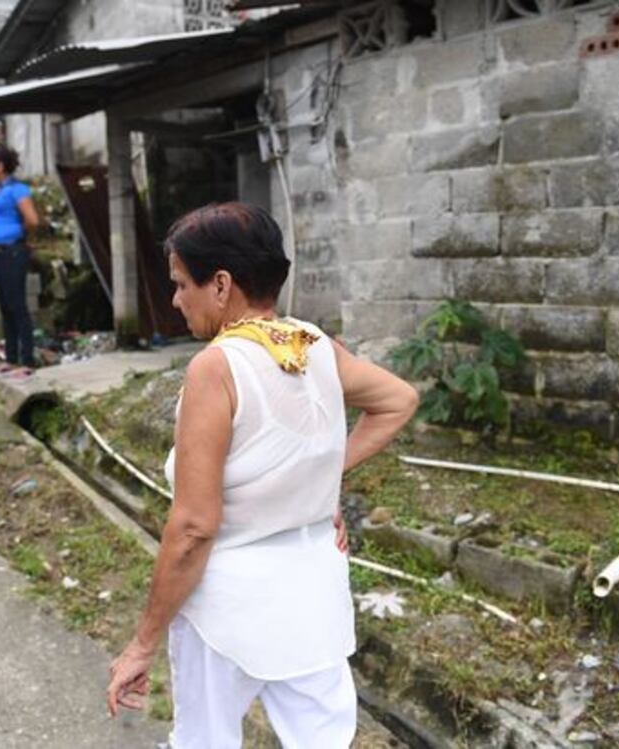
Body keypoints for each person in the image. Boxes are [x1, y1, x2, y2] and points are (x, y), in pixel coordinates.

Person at [106, 202, 419, 747]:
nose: (176, 300)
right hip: (313, 599)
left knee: (206, 740)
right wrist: (321, 474)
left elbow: (194, 528)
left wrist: (141, 643)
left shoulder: (217, 367)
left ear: (221, 285)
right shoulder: (314, 344)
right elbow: (399, 400)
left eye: (182, 285)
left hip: (228, 610)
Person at [0, 144, 39, 379]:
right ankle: (11, 359)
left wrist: (16, 235)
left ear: (0, 166)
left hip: (12, 252)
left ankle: (27, 360)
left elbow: (32, 219)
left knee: (18, 306)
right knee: (4, 306)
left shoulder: (18, 190)